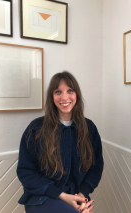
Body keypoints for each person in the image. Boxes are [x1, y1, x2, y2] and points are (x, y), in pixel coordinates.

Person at [17, 71, 104, 213]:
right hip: (41, 198)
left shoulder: (89, 128)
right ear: (52, 97)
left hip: (76, 197)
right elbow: (25, 172)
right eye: (58, 91)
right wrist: (62, 196)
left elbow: (96, 168)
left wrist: (81, 197)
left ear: (77, 95)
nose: (65, 97)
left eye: (70, 90)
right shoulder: (36, 128)